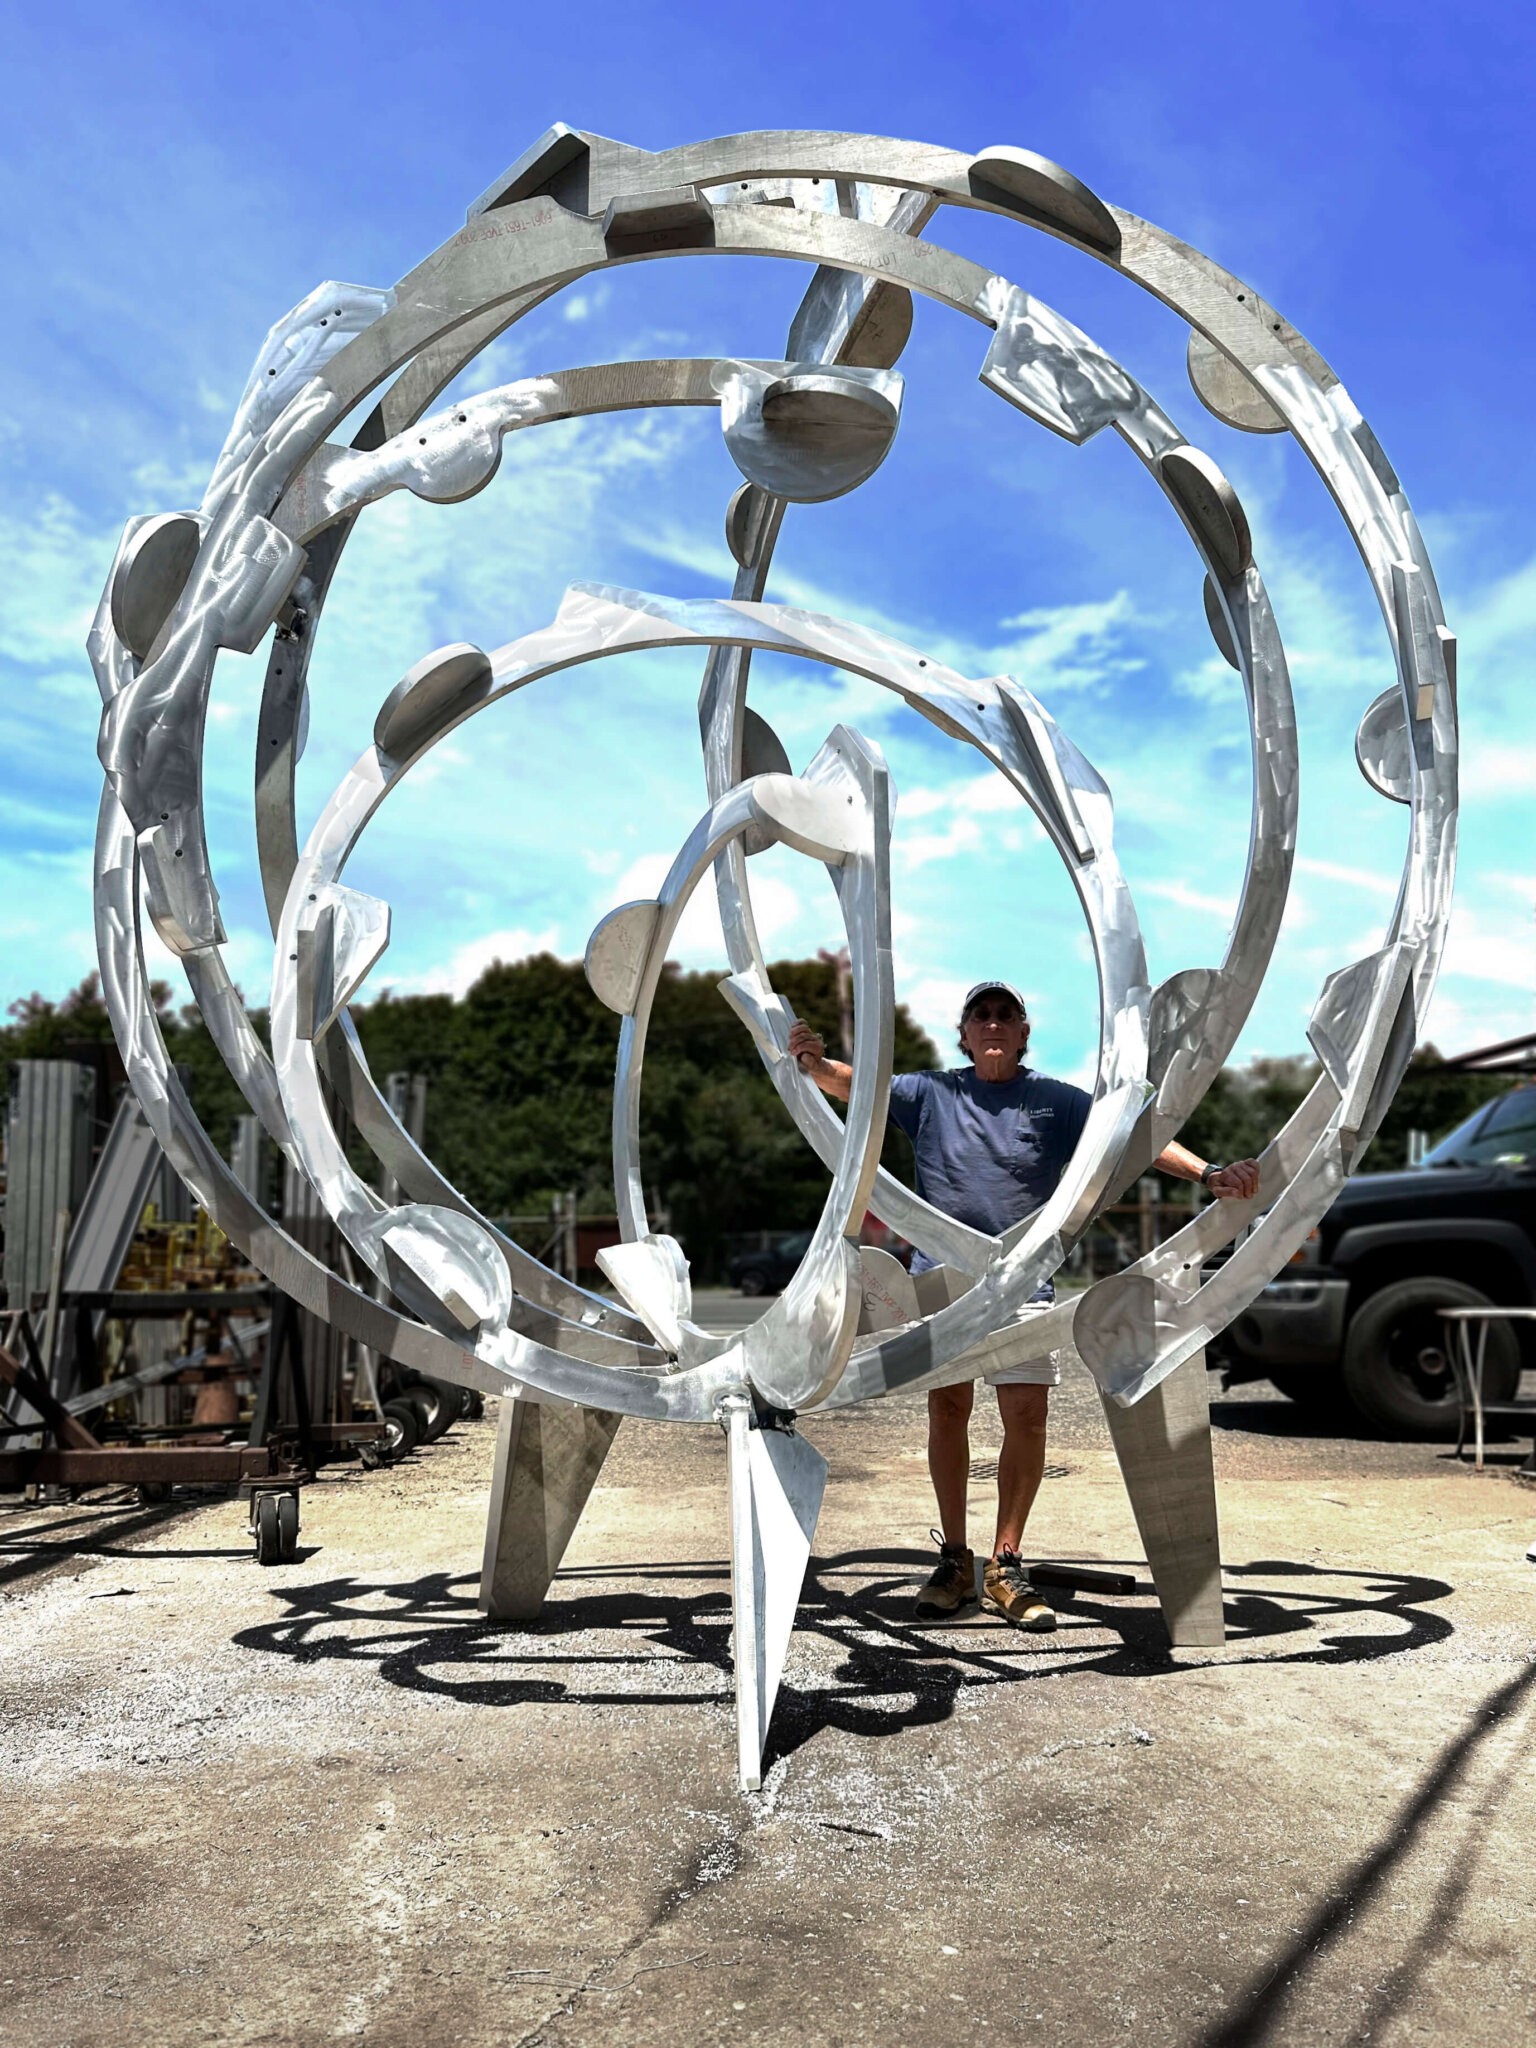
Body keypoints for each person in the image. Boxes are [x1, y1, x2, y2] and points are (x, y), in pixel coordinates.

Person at [787, 982, 1260, 1632]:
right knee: (948, 1409)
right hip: (941, 1283)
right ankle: (955, 1558)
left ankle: (1005, 1563)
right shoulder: (931, 1094)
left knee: (1026, 1415)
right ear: (964, 1032)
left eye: (1004, 1014)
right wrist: (813, 1066)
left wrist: (1207, 1172)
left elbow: (1130, 1137)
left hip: (1020, 1284)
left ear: (1022, 1030)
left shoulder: (1053, 1102)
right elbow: (858, 1088)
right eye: (981, 1014)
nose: (992, 1023)